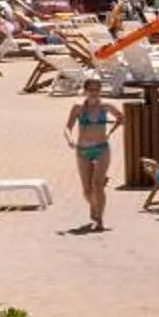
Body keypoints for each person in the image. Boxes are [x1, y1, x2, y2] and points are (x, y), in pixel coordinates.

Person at [63, 74, 120, 233]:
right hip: (82, 150)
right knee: (87, 189)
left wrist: (110, 132)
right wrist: (69, 140)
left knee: (97, 185)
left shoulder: (106, 107)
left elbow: (121, 118)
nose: (94, 93)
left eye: (97, 89)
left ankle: (99, 218)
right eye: (91, 89)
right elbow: (67, 127)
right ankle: (94, 206)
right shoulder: (78, 107)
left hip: (102, 148)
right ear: (85, 90)